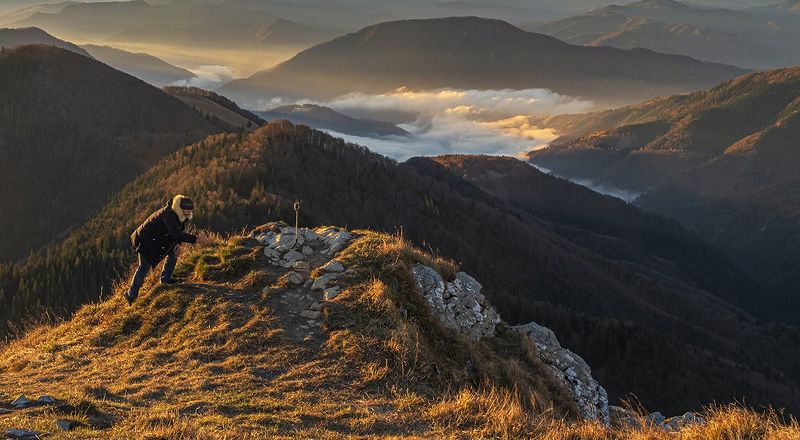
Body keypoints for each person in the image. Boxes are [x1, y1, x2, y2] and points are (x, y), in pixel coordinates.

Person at [123, 195, 208, 305]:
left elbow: (176, 230)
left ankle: (165, 280)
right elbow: (176, 233)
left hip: (158, 239)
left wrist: (177, 243)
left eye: (190, 211)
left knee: (173, 253)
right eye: (187, 210)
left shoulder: (178, 214)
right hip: (145, 241)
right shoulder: (168, 214)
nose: (189, 213)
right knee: (144, 267)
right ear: (180, 208)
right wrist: (197, 239)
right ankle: (131, 295)